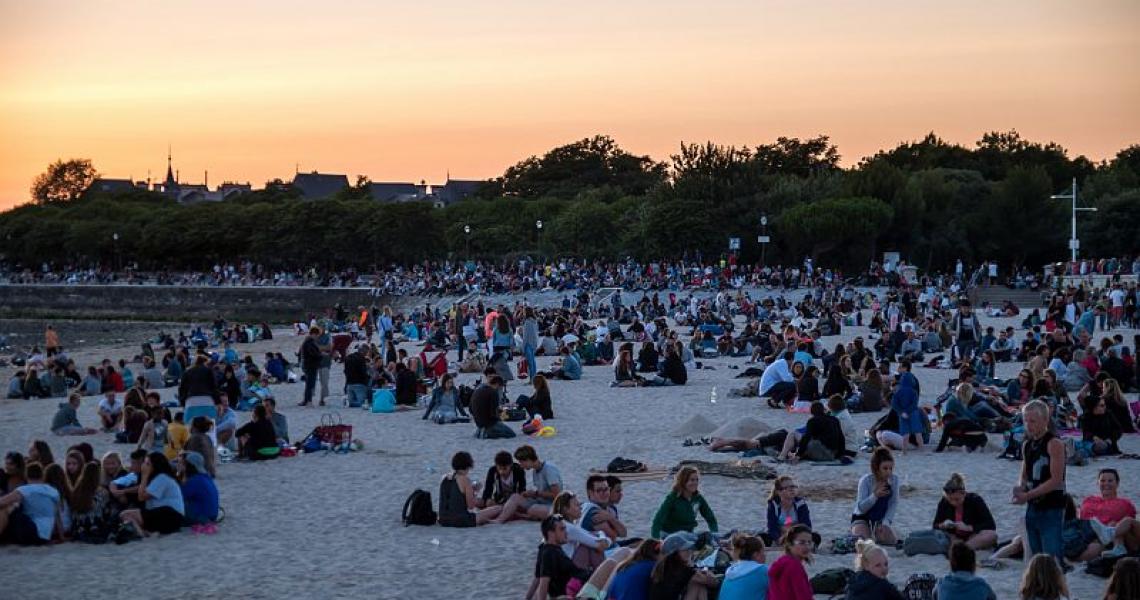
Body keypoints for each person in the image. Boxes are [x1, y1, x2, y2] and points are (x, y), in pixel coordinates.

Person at [1013, 400, 1067, 567]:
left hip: (1052, 505)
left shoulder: (1054, 443)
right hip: (1033, 505)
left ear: (1045, 420)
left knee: (1052, 556)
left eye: (1033, 421)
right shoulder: (1027, 445)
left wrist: (1027, 494)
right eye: (1026, 421)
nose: (1028, 425)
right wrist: (1020, 489)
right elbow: (1024, 474)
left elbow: (1056, 480)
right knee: (1036, 557)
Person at [526, 514, 616, 600]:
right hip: (581, 588)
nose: (566, 532)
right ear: (551, 533)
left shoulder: (544, 549)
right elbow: (543, 584)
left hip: (584, 582)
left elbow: (537, 578)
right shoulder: (549, 553)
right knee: (612, 565)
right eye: (562, 529)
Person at [118, 452, 184, 536]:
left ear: (155, 465)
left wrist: (144, 476)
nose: (144, 466)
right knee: (128, 515)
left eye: (147, 464)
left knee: (125, 515)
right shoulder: (158, 477)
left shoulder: (162, 478)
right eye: (144, 463)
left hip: (170, 515)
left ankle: (142, 535)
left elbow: (141, 497)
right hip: (167, 514)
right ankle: (145, 532)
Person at [0, 462, 60, 546]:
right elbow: (57, 516)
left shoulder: (25, 489)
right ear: (42, 475)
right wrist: (61, 536)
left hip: (32, 532)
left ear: (26, 475)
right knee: (14, 506)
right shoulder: (53, 491)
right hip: (45, 536)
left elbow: (2, 501)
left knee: (7, 508)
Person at [933, 472, 998, 550]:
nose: (953, 503)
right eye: (950, 499)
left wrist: (968, 528)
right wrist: (943, 525)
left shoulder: (975, 499)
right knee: (945, 536)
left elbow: (991, 524)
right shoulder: (944, 502)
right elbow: (935, 525)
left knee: (991, 535)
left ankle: (963, 549)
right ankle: (962, 549)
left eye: (957, 499)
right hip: (954, 537)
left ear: (963, 493)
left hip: (973, 536)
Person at [650, 466, 718, 539]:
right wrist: (656, 541)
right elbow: (658, 521)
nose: (695, 483)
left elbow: (711, 518)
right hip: (669, 535)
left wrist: (714, 534)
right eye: (692, 480)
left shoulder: (698, 498)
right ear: (683, 481)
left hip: (687, 535)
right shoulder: (672, 498)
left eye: (697, 480)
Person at [851, 447, 900, 545]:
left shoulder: (894, 480)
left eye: (891, 468)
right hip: (862, 517)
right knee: (864, 543)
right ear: (876, 468)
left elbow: (893, 503)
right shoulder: (866, 481)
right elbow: (861, 508)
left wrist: (886, 522)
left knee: (891, 541)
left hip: (880, 518)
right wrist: (875, 495)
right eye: (885, 468)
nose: (889, 472)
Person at [438, 451, 500, 527]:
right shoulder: (465, 480)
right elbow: (471, 506)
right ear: (468, 465)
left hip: (443, 519)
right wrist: (475, 492)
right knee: (498, 508)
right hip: (461, 520)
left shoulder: (445, 478)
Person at [765, 475, 819, 548]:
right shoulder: (773, 505)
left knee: (816, 536)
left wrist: (787, 528)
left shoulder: (800, 504)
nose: (791, 489)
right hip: (780, 537)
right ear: (779, 492)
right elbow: (772, 527)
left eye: (793, 486)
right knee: (763, 537)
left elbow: (806, 525)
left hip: (797, 536)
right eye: (787, 488)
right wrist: (780, 539)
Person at [767, 524, 814, 600]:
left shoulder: (782, 562)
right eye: (801, 542)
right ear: (789, 544)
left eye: (809, 542)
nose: (807, 546)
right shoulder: (794, 566)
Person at [516, 444, 562, 520]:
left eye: (521, 462)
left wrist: (536, 493)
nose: (521, 465)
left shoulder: (549, 469)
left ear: (528, 460)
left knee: (533, 509)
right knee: (515, 498)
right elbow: (542, 492)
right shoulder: (535, 471)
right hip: (542, 502)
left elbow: (557, 495)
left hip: (554, 505)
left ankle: (527, 516)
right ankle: (500, 519)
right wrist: (531, 494)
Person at [482, 450, 528, 524]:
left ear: (511, 466)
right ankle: (509, 513)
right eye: (499, 468)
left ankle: (508, 513)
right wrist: (487, 500)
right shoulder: (492, 471)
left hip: (513, 499)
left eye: (505, 469)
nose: (502, 472)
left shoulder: (518, 470)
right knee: (486, 502)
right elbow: (488, 489)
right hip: (499, 499)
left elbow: (522, 488)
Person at [720, 534, 768, 600]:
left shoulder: (730, 571)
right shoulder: (762, 570)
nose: (765, 556)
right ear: (756, 554)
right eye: (763, 552)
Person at [580, 475, 627, 541]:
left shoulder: (610, 509)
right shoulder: (593, 512)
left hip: (609, 547)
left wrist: (610, 517)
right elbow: (613, 537)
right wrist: (616, 527)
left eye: (606, 489)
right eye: (599, 490)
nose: (604, 493)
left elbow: (623, 533)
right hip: (600, 549)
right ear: (590, 493)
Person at [179, 451, 218, 527]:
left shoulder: (194, 480)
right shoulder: (207, 477)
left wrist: (182, 475)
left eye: (185, 464)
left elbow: (180, 496)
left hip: (203, 517)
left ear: (190, 465)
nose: (183, 466)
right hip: (213, 515)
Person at [298, 327, 322, 406]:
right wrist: (321, 355)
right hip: (310, 365)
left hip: (309, 364)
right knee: (310, 383)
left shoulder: (307, 342)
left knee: (309, 383)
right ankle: (308, 400)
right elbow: (313, 354)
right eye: (317, 335)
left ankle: (307, 400)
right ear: (314, 334)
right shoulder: (309, 342)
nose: (318, 337)